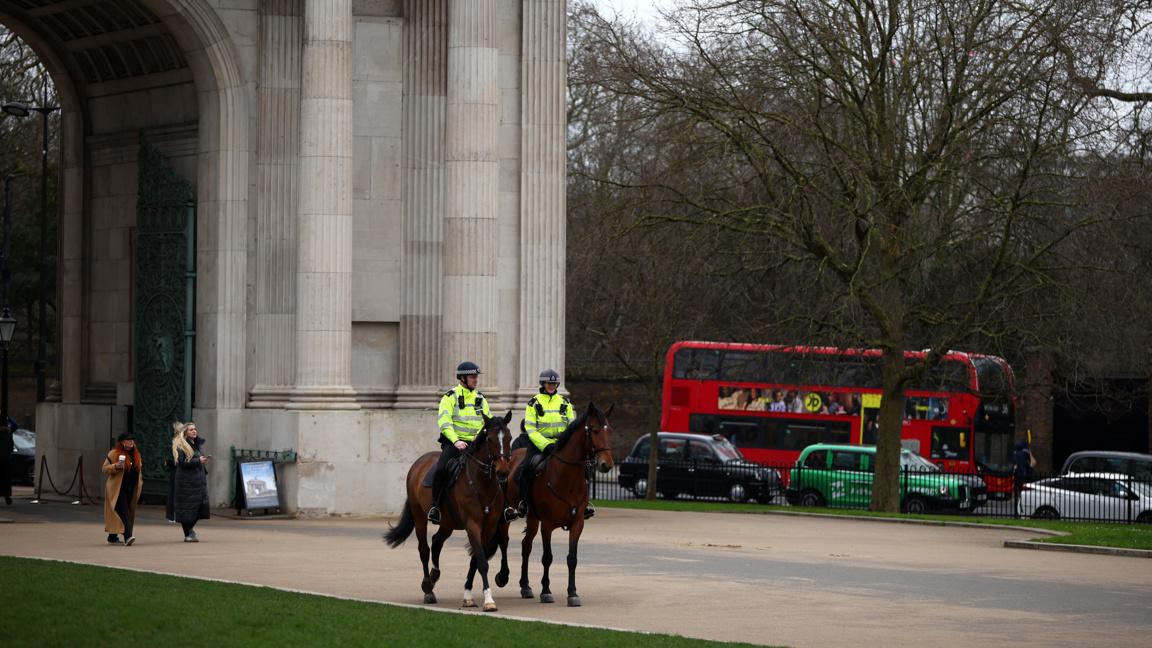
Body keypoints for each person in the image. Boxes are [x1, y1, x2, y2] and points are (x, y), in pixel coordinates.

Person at [513, 369, 580, 522]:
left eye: (554, 383)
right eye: (549, 383)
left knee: (582, 466)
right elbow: (530, 427)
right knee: (526, 467)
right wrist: (545, 444)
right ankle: (523, 502)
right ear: (543, 384)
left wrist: (563, 443)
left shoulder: (565, 402)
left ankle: (584, 502)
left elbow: (571, 426)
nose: (552, 386)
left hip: (561, 444)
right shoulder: (534, 403)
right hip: (539, 443)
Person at [427, 361, 490, 525]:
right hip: (455, 444)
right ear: (463, 378)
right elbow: (445, 422)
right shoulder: (450, 397)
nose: (476, 380)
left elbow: (487, 421)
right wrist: (456, 441)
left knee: (498, 467)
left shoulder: (480, 398)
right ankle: (435, 508)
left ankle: (504, 508)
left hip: (476, 444)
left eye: (476, 377)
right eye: (472, 377)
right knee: (440, 469)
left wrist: (479, 436)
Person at [101, 431, 142, 546]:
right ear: (122, 442)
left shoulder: (136, 454)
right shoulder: (114, 453)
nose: (131, 442)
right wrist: (116, 466)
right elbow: (104, 468)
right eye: (128, 440)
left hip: (131, 488)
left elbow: (138, 471)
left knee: (125, 511)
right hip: (117, 488)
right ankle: (128, 536)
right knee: (123, 511)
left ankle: (112, 537)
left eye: (132, 440)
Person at [172, 421, 211, 542]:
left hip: (198, 480)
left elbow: (198, 460)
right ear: (185, 433)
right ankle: (188, 533)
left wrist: (202, 462)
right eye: (191, 430)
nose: (194, 431)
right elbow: (182, 462)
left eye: (195, 429)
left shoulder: (197, 444)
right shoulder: (180, 445)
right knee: (186, 508)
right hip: (186, 481)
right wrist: (198, 461)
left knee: (201, 506)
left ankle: (189, 531)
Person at [164, 421, 182, 523]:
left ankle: (171, 515)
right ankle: (171, 515)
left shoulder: (177, 441)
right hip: (176, 469)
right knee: (174, 492)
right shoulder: (177, 441)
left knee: (174, 492)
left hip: (175, 468)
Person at [1012, 440, 1034, 515]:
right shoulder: (1025, 453)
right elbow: (1029, 462)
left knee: (1017, 483)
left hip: (1017, 472)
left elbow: (1014, 462)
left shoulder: (1015, 454)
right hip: (1024, 472)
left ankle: (1018, 493)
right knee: (1022, 483)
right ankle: (1020, 493)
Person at [0, 426, 12, 505]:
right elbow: (11, 447)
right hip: (5, 459)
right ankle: (6, 495)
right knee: (5, 478)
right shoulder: (8, 435)